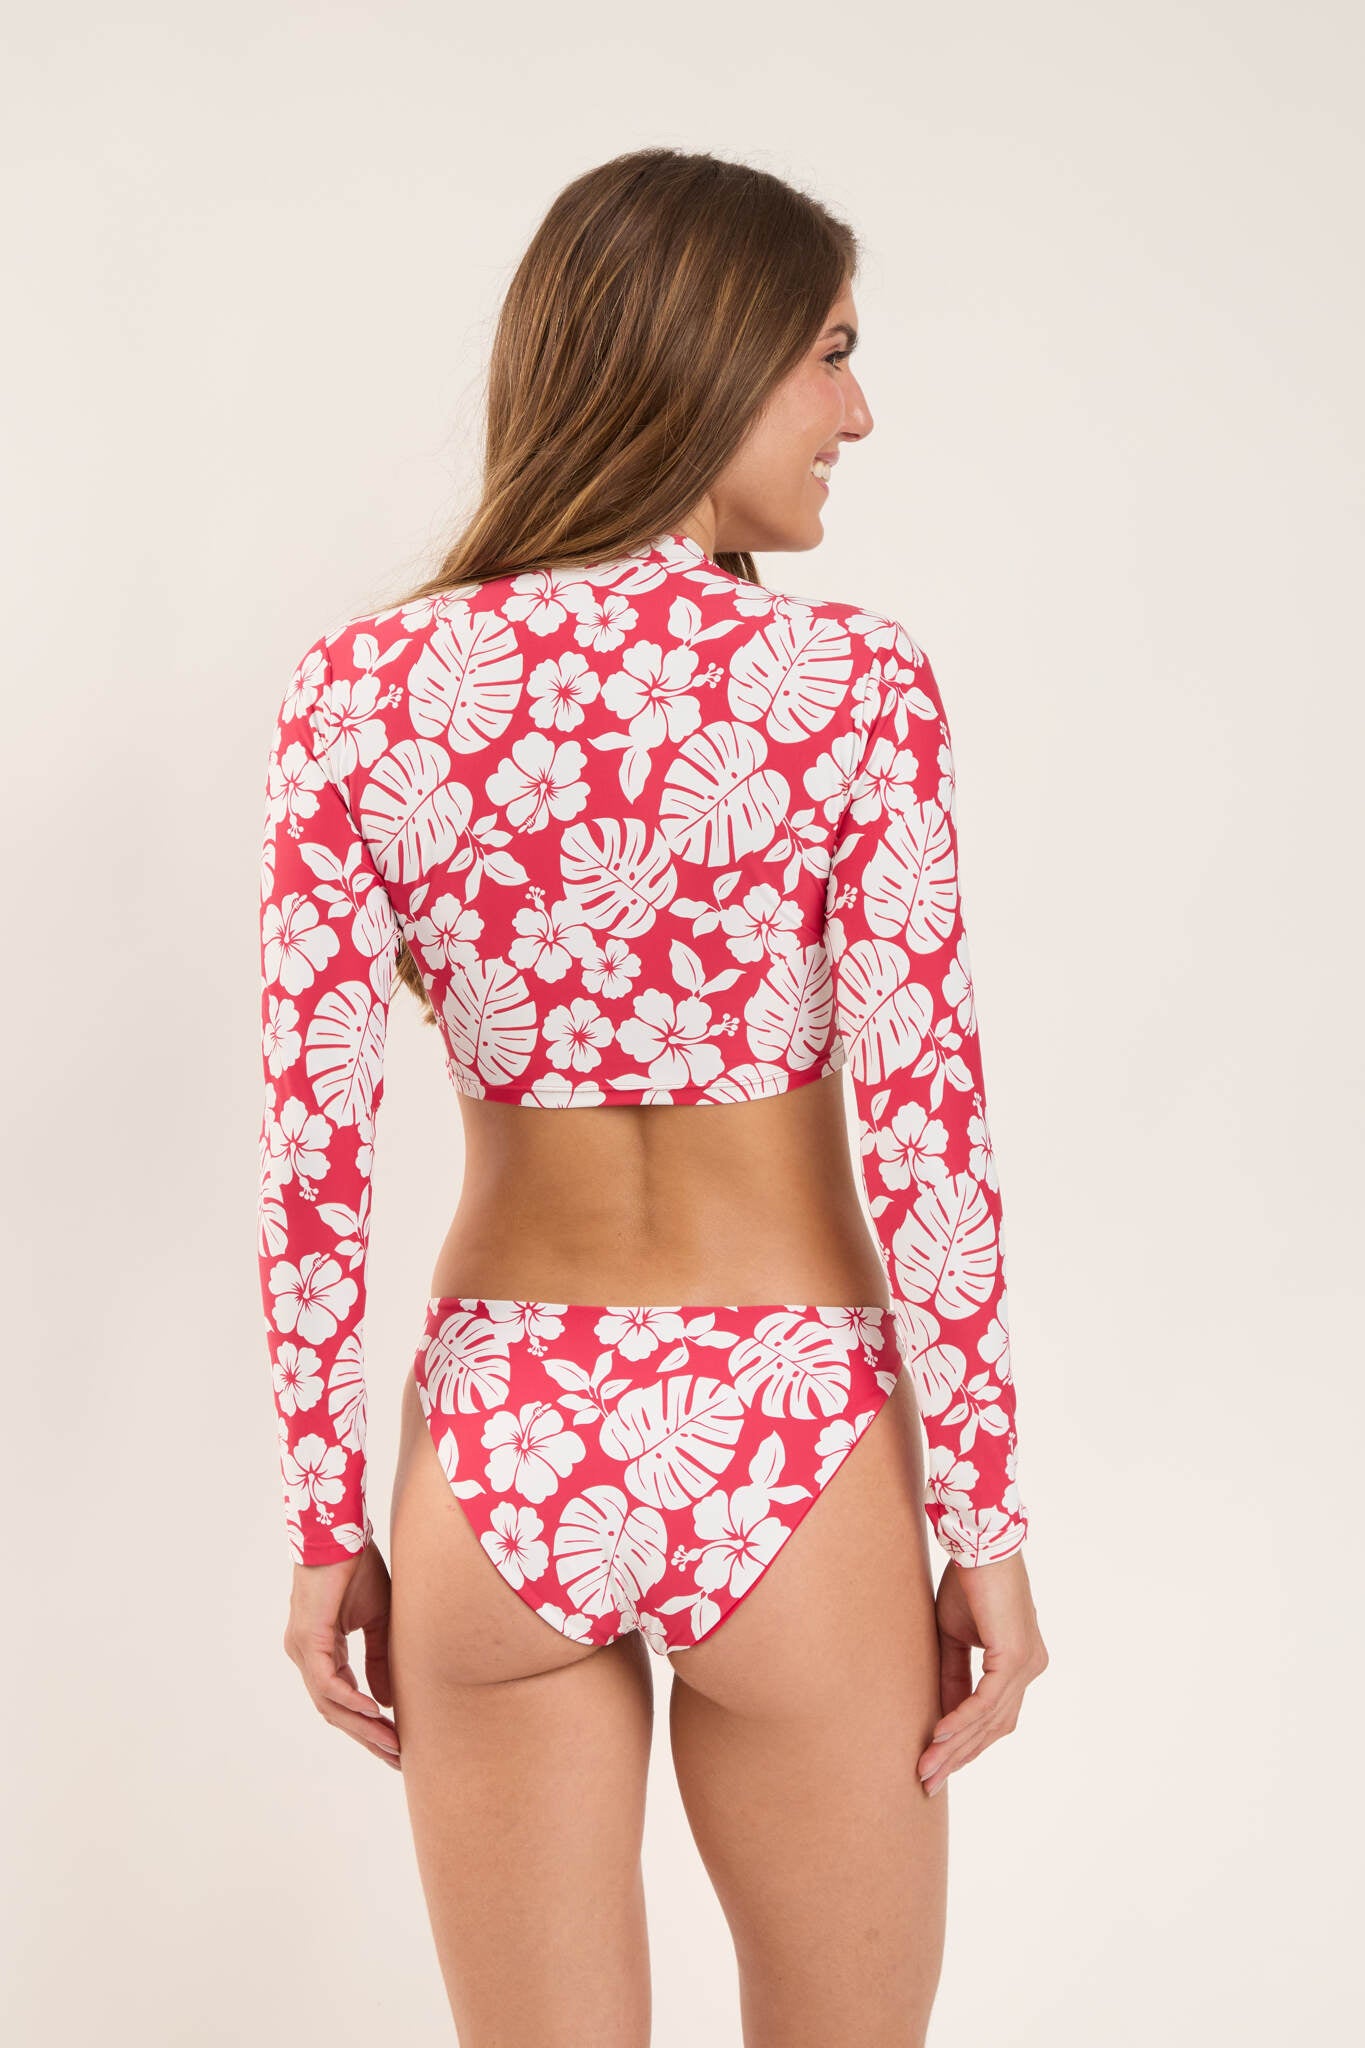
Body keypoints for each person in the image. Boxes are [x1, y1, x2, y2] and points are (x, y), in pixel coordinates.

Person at [256, 145, 1048, 2047]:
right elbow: (926, 1130)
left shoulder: (364, 691)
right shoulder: (848, 686)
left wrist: (321, 1520)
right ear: (708, 352)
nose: (858, 411)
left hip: (501, 1434)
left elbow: (311, 1152)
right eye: (829, 353)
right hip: (791, 1425)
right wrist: (987, 1523)